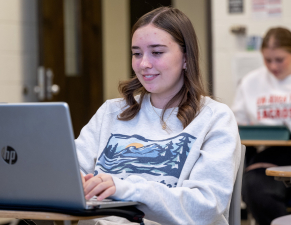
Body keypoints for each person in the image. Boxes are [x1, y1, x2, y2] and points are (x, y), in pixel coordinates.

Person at [76, 7, 241, 225]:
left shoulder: (214, 118)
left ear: (186, 58)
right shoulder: (111, 111)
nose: (143, 64)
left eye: (157, 52)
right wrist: (71, 181)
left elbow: (205, 206)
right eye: (137, 53)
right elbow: (69, 167)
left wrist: (124, 190)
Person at [231, 27, 291, 225]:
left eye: (279, 59)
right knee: (254, 187)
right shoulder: (250, 82)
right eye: (268, 60)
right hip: (265, 153)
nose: (273, 66)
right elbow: (235, 122)